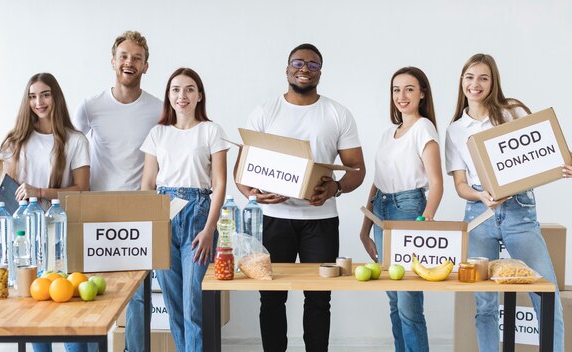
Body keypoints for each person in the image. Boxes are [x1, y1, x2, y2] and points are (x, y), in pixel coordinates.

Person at [445, 53, 572, 352]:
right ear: (461, 81)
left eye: (483, 77)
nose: (475, 84)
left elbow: (550, 151)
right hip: (479, 215)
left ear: (493, 82)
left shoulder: (512, 111)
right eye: (470, 77)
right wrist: (481, 195)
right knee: (485, 303)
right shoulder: (455, 130)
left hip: (519, 211)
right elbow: (460, 185)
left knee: (546, 295)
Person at [236, 43, 366, 352]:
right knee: (270, 297)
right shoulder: (265, 111)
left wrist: (336, 188)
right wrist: (254, 195)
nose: (304, 68)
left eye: (312, 64)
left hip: (320, 221)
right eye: (298, 62)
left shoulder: (337, 113)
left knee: (319, 297)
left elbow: (357, 169)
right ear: (287, 68)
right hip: (274, 220)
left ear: (320, 72)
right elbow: (241, 172)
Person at [72, 30, 162, 352]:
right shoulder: (91, 106)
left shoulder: (158, 109)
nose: (129, 62)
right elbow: (70, 148)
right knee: (95, 291)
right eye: (124, 56)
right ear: (113, 61)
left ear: (146, 66)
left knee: (138, 295)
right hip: (96, 209)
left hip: (139, 209)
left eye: (137, 58)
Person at [0, 72, 90, 352]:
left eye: (45, 94)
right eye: (32, 96)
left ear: (56, 97)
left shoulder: (75, 140)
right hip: (28, 239)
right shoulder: (15, 142)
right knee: (35, 317)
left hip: (63, 235)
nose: (39, 102)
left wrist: (42, 192)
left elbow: (83, 190)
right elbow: (6, 196)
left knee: (70, 316)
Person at [140, 67, 228, 352]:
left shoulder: (211, 131)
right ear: (169, 95)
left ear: (199, 95)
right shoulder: (158, 133)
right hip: (163, 213)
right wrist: (151, 226)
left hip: (198, 213)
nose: (182, 95)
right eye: (176, 89)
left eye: (190, 89)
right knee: (173, 303)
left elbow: (220, 183)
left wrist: (209, 228)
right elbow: (148, 184)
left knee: (193, 302)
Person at [359, 66, 442, 352]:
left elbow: (436, 183)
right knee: (394, 301)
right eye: (396, 89)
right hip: (381, 210)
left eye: (409, 89)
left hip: (409, 209)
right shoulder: (387, 134)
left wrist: (425, 221)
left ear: (422, 94)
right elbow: (376, 183)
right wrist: (365, 228)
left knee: (409, 304)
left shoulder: (424, 128)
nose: (402, 95)